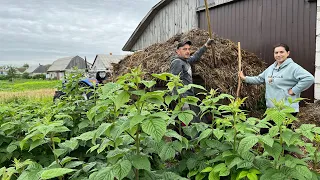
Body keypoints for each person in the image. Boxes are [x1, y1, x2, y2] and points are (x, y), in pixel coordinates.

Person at [239, 43, 314, 133]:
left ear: (288, 53)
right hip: (272, 109)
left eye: (281, 52)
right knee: (266, 133)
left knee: (280, 136)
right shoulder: (272, 68)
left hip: (286, 109)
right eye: (276, 52)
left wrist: (294, 90)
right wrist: (245, 78)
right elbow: (259, 79)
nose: (278, 55)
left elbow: (309, 78)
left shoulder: (293, 67)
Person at [170, 39, 214, 123]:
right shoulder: (177, 63)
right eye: (184, 49)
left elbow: (195, 57)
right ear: (178, 51)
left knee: (198, 120)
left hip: (190, 97)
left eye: (189, 49)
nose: (187, 51)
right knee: (193, 123)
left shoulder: (185, 61)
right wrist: (183, 104)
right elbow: (174, 83)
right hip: (185, 99)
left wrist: (206, 45)